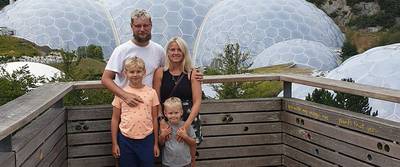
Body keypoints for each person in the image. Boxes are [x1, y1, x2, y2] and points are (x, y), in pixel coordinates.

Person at [153, 36, 202, 166]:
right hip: (168, 116)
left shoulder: (192, 73)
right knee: (168, 145)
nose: (175, 53)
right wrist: (161, 120)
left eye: (179, 49)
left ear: (184, 52)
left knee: (188, 145)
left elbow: (197, 101)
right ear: (167, 52)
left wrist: (186, 125)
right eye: (172, 49)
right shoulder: (160, 73)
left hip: (188, 117)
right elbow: (156, 99)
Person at [102, 9, 165, 107]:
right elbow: (106, 79)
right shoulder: (121, 50)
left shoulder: (159, 50)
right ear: (131, 27)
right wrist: (125, 95)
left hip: (150, 106)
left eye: (146, 25)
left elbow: (167, 72)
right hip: (127, 106)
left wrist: (193, 73)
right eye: (138, 26)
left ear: (151, 25)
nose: (142, 29)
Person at [110, 57, 160, 167]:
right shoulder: (121, 93)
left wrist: (155, 143)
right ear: (126, 73)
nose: (135, 74)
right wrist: (115, 143)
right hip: (125, 140)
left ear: (144, 72)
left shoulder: (152, 93)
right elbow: (115, 119)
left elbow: (155, 118)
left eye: (138, 71)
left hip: (147, 139)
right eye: (132, 72)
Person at [159, 97, 196, 167]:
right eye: (170, 113)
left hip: (185, 163)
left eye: (176, 113)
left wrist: (185, 137)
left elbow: (193, 143)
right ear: (165, 113)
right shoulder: (164, 127)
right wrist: (162, 135)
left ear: (181, 112)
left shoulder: (186, 126)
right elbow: (161, 143)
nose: (173, 115)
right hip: (168, 163)